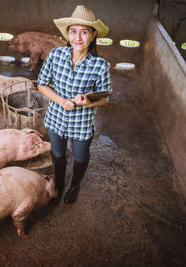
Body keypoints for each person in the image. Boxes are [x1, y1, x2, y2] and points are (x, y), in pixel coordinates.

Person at [37, 5, 112, 204]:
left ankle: (75, 184)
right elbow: (42, 84)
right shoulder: (56, 55)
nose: (78, 37)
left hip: (81, 124)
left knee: (80, 157)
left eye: (84, 32)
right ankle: (59, 183)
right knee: (58, 153)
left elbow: (104, 98)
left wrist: (87, 102)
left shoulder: (100, 65)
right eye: (73, 31)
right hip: (55, 119)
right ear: (67, 34)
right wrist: (62, 101)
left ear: (93, 35)